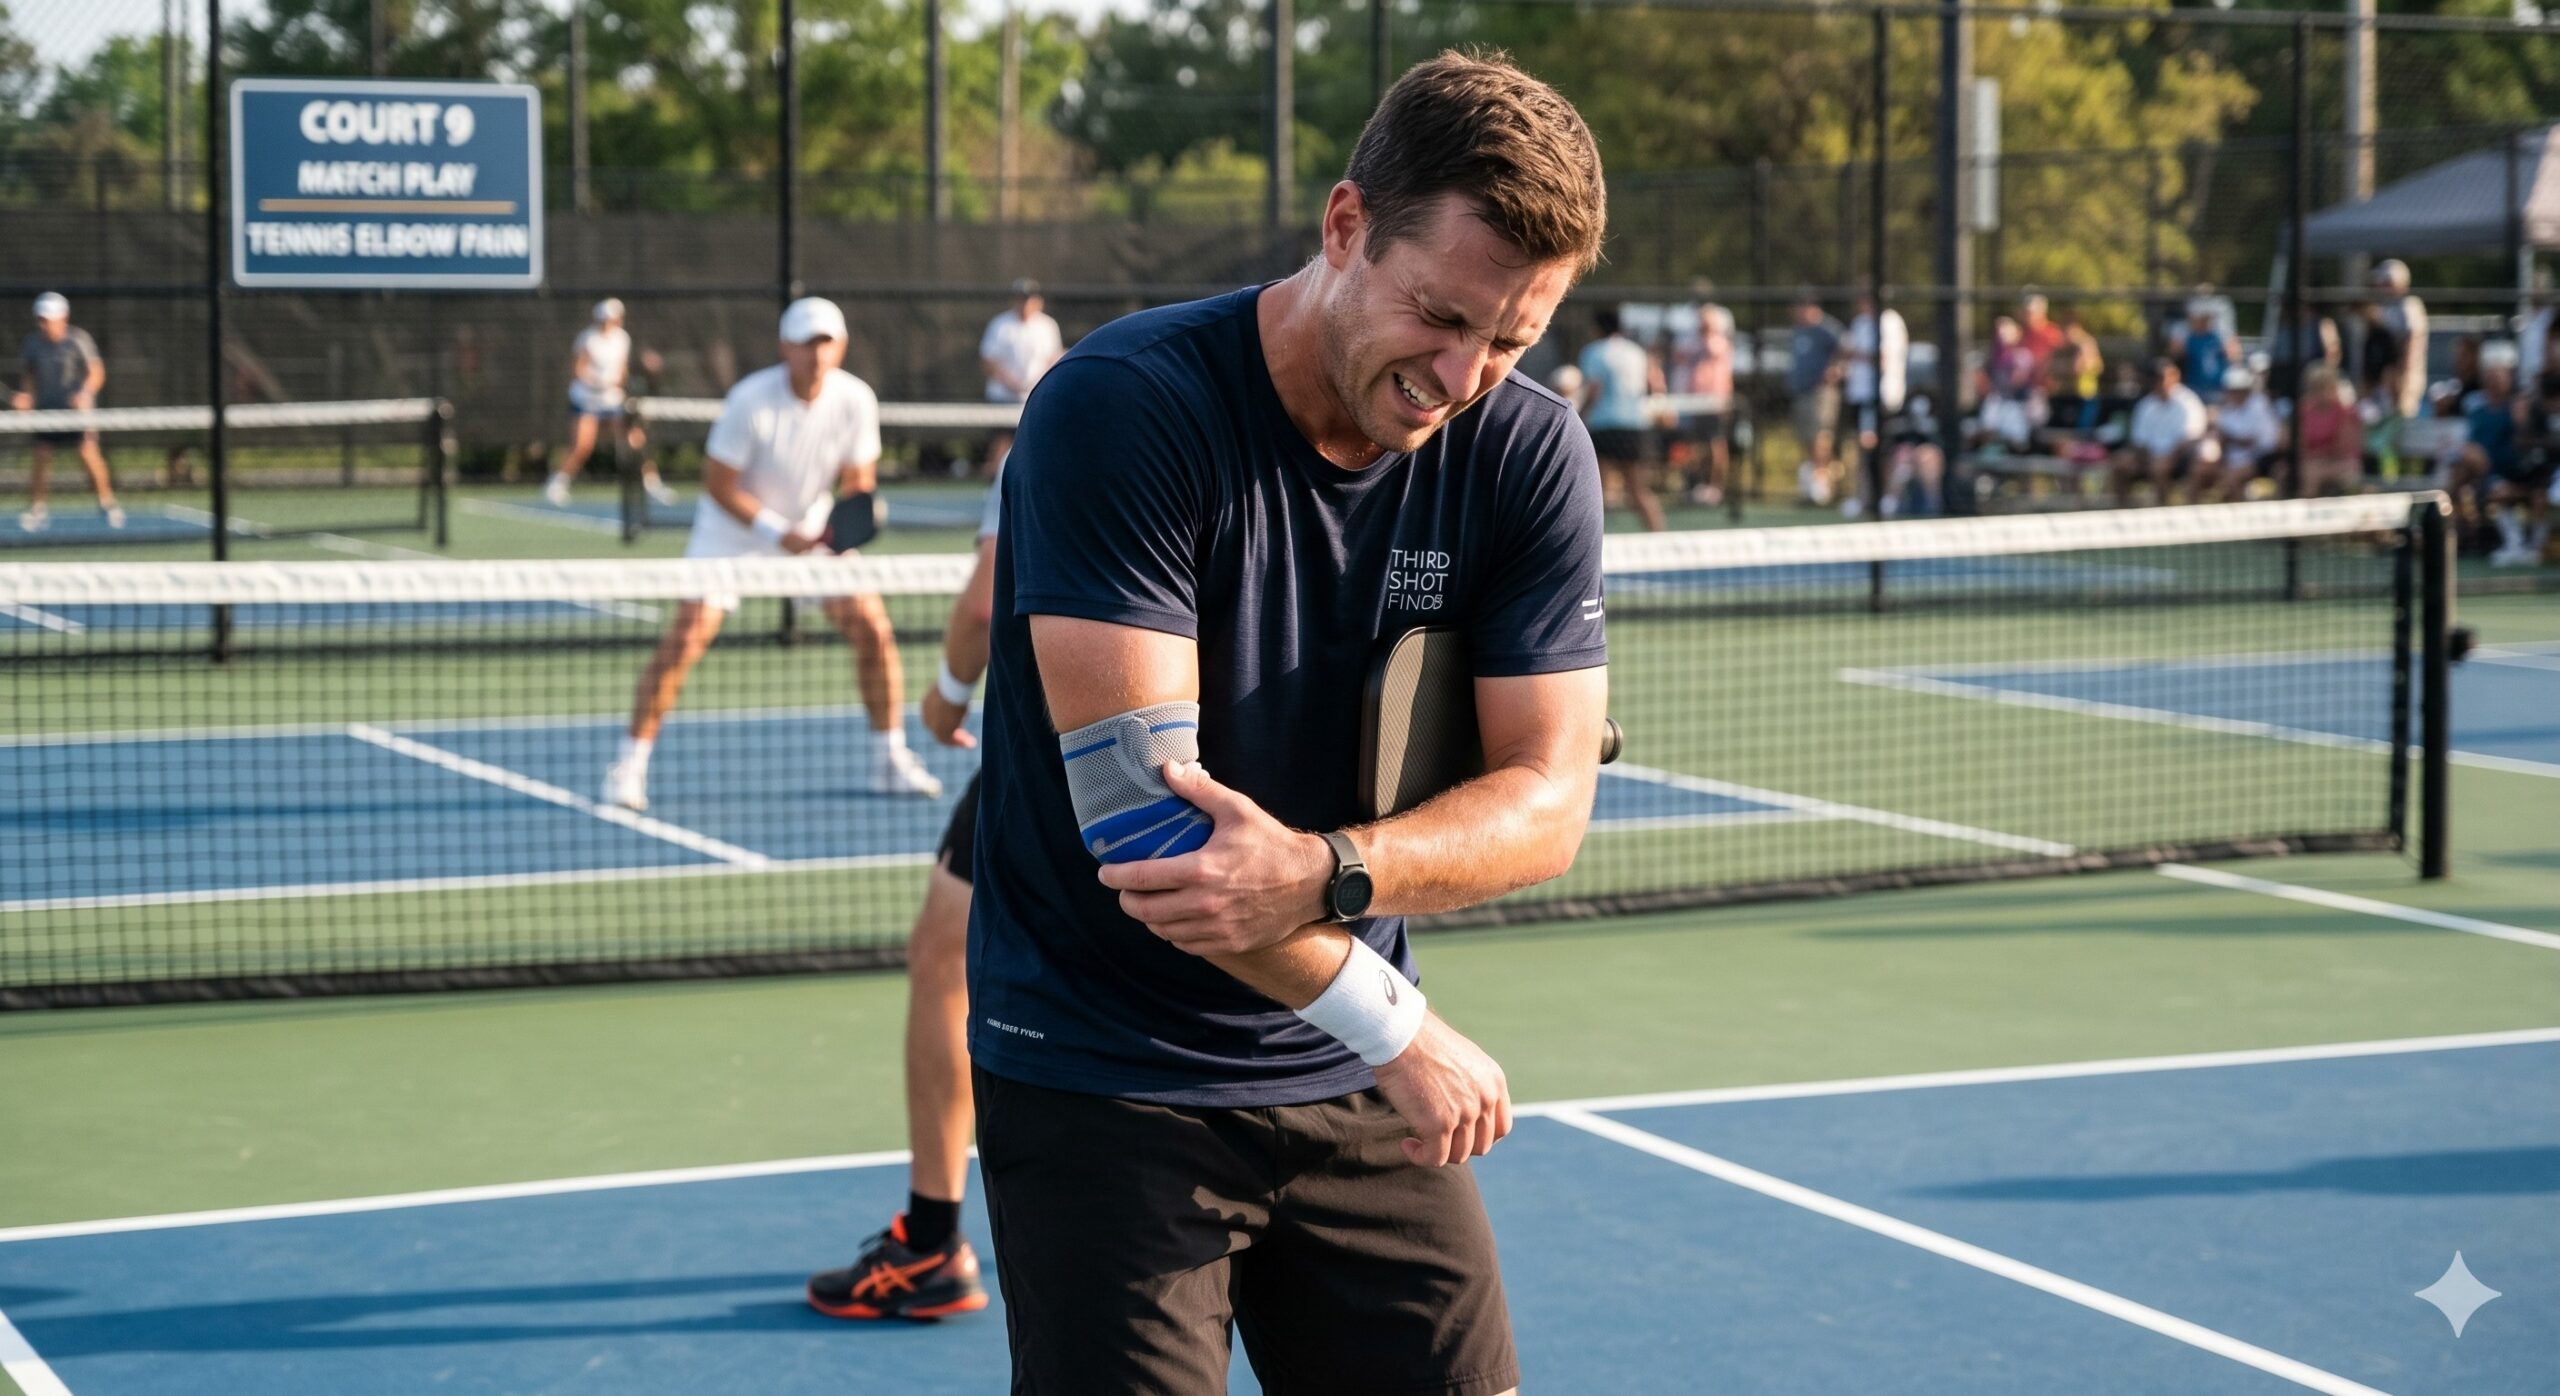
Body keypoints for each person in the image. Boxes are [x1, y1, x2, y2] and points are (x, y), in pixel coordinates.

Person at [970, 52, 1609, 1395]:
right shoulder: (1122, 408)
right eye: (1439, 316)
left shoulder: (1530, 453)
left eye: (1509, 341)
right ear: (1344, 228)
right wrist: (1402, 1030)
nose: (1461, 375)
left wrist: (1331, 873)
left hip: (1341, 1062)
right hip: (1105, 1072)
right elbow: (1149, 830)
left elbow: (1550, 801)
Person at [601, 297, 943, 810]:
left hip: (811, 535)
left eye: (826, 343)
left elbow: (858, 481)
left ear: (841, 347)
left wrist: (837, 527)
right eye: (806, 343)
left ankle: (889, 759)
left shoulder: (856, 400)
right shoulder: (750, 400)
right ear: (785, 347)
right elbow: (718, 484)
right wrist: (777, 532)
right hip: (730, 537)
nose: (816, 354)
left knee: (873, 629)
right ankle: (628, 767)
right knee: (687, 637)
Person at [806, 457, 1008, 1322]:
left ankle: (930, 1242)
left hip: (1071, 757)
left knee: (943, 957)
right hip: (1230, 763)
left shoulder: (1072, 411)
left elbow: (983, 605)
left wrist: (948, 697)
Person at [544, 298, 677, 509]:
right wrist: (599, 382)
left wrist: (621, 385)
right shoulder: (587, 339)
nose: (610, 322)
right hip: (586, 399)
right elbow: (577, 371)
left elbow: (622, 370)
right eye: (606, 319)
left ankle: (652, 486)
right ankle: (557, 484)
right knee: (582, 446)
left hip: (612, 400)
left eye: (614, 318)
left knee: (635, 441)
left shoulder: (622, 339)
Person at [13, 292, 122, 532]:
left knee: (87, 452)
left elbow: (96, 371)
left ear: (63, 317)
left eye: (49, 319)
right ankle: (37, 509)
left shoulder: (78, 340)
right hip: (47, 412)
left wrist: (85, 393)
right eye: (41, 319)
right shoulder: (33, 343)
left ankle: (107, 504)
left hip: (77, 414)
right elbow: (30, 376)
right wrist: (27, 396)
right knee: (41, 453)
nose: (45, 324)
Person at [2449, 344, 2547, 565]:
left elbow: (2530, 449)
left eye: (2499, 374)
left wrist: (2521, 422)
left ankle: (2523, 546)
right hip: (2482, 473)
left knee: (2499, 488)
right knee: (2463, 468)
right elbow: (2469, 444)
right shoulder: (2474, 405)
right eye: (2489, 374)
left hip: (2518, 473)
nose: (2494, 380)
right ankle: (2458, 535)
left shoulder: (2520, 405)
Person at [1578, 306, 1666, 531]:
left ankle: (1591, 546)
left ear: (1598, 327)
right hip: (1635, 426)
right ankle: (1661, 539)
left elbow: (1594, 391)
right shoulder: (1637, 351)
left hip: (1604, 426)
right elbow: (1654, 385)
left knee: (1597, 492)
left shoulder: (1594, 351)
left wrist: (1577, 418)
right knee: (1638, 489)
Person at [977, 278, 1065, 477]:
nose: (1025, 304)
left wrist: (1039, 384)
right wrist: (1012, 384)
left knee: (1038, 444)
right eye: (1021, 299)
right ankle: (994, 492)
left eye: (1029, 299)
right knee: (1001, 446)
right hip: (1003, 398)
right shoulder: (1000, 325)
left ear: (1038, 302)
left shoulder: (1048, 326)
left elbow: (1053, 357)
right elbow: (989, 362)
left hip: (1036, 398)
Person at [2107, 358, 2212, 507]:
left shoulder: (2188, 402)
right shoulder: (2145, 405)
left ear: (2175, 376)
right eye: (2154, 378)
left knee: (2160, 467)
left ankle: (2163, 510)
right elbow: (2139, 440)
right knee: (2120, 463)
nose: (2159, 382)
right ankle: (2123, 511)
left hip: (2181, 457)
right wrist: (2147, 455)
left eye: (2162, 377)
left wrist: (2168, 456)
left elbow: (2190, 437)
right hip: (2149, 456)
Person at [1838, 291, 1906, 518]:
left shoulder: (1889, 321)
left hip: (1882, 397)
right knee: (1863, 448)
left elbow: (1883, 357)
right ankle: (1864, 497)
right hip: (1860, 396)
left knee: (1881, 448)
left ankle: (1887, 496)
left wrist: (1854, 354)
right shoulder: (1859, 323)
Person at [1786, 291, 1843, 504]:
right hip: (1800, 391)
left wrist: (1835, 369)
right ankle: (1809, 485)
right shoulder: (1799, 330)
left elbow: (1845, 348)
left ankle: (1822, 485)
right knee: (1805, 438)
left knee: (1820, 436)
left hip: (1820, 392)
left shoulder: (1827, 328)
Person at [1682, 301, 1734, 506]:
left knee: (1716, 446)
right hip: (1696, 403)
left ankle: (1716, 487)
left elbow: (1709, 351)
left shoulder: (1718, 343)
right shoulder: (1694, 343)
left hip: (1714, 403)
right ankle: (1699, 485)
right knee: (1696, 447)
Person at [2206, 366, 2283, 501]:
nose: (2235, 394)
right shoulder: (2227, 410)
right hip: (2234, 460)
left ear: (2247, 390)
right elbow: (2222, 439)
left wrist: (2229, 437)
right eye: (2232, 390)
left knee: (2232, 477)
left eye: (2239, 390)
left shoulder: (2259, 405)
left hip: (2263, 458)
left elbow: (2252, 441)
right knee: (2205, 468)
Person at [2293, 363, 2364, 498]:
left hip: (2341, 462)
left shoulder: (2345, 411)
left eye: (2324, 387)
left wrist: (2319, 455)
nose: (2320, 393)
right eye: (2316, 388)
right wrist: (2313, 456)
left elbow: (2344, 446)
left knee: (2314, 474)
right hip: (2312, 461)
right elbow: (2299, 443)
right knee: (2301, 472)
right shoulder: (2304, 410)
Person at [2372, 259, 2429, 421]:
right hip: (2386, 379)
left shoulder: (2410, 306)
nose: (2381, 287)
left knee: (2403, 419)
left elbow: (2411, 342)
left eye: (2386, 282)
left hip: (2404, 377)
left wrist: (2402, 380)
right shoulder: (2384, 308)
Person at [2171, 294, 2234, 394]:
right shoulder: (2187, 336)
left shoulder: (2218, 335)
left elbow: (2234, 356)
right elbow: (2174, 353)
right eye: (2201, 318)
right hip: (2193, 388)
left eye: (2207, 318)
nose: (2205, 322)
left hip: (2218, 389)